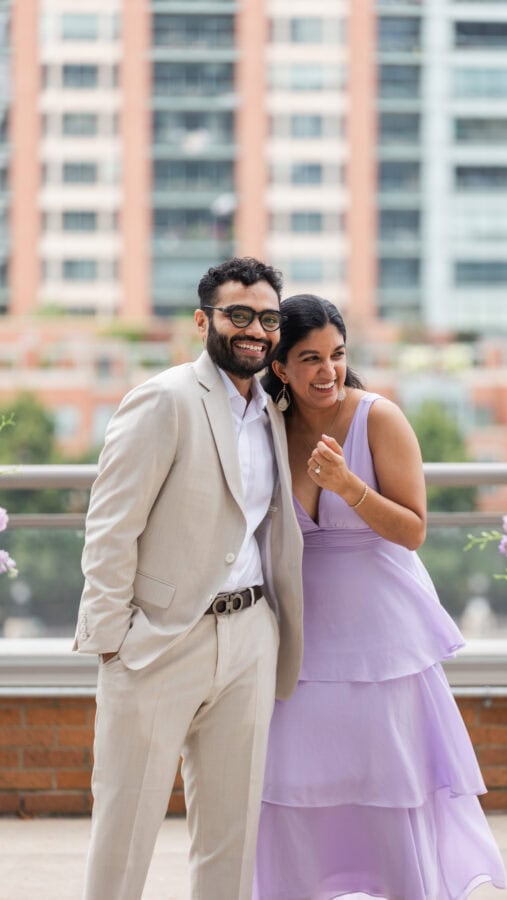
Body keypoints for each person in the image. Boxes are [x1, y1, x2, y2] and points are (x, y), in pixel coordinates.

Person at [255, 295, 506, 900]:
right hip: (299, 640)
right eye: (310, 358)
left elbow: (414, 529)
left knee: (390, 785)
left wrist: (348, 486)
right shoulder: (264, 427)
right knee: (290, 786)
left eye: (337, 355)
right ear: (281, 367)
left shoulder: (380, 419)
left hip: (384, 639)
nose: (328, 372)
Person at [73, 257, 304, 900]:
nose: (254, 329)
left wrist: (268, 634)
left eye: (267, 318)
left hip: (251, 638)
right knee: (125, 832)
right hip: (157, 644)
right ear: (204, 320)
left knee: (231, 840)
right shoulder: (164, 399)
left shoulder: (274, 413)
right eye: (238, 315)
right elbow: (110, 526)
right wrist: (114, 639)